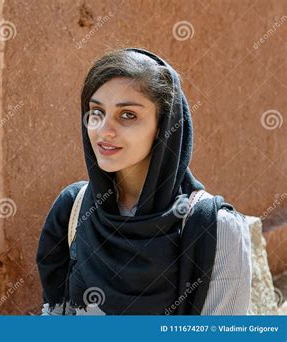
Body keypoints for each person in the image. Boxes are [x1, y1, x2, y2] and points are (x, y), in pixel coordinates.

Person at [36, 47, 252, 315]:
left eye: (128, 115)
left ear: (163, 127)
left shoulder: (216, 230)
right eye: (96, 112)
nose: (104, 131)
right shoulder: (73, 209)